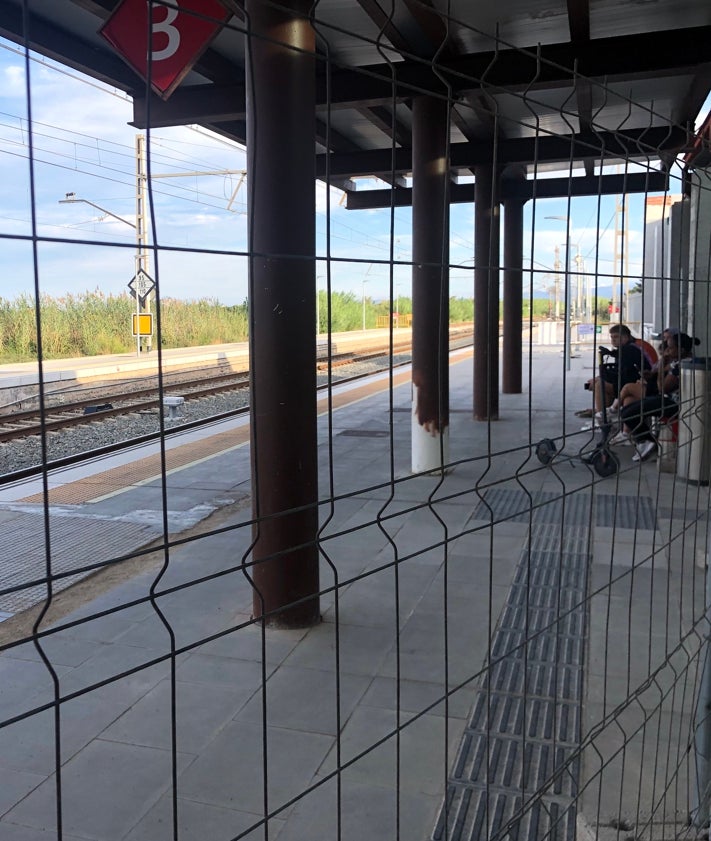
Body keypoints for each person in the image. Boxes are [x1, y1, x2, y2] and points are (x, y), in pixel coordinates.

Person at [618, 332, 694, 460]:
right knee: (627, 409)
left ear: (681, 350)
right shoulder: (677, 362)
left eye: (670, 348)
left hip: (675, 404)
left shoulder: (681, 364)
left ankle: (647, 440)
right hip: (667, 399)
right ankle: (645, 440)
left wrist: (661, 369)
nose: (667, 351)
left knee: (631, 413)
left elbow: (662, 388)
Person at [584, 324, 649, 414]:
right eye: (611, 337)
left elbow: (623, 373)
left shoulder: (629, 350)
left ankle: (602, 417)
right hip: (634, 380)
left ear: (625, 337)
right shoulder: (631, 346)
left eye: (616, 337)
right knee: (602, 383)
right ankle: (604, 413)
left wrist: (600, 378)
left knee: (600, 385)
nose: (613, 340)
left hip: (642, 382)